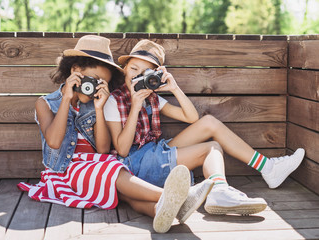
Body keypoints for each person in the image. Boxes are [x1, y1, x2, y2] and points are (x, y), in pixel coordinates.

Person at [17, 35, 205, 233]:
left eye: (101, 83)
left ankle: (159, 209)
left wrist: (99, 108)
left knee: (125, 194)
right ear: (74, 71)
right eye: (92, 80)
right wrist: (66, 99)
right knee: (114, 170)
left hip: (95, 166)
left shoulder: (94, 104)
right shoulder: (46, 103)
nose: (93, 88)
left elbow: (103, 150)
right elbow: (54, 142)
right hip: (65, 172)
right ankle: (179, 198)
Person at [104, 39, 305, 218]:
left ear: (154, 76)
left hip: (155, 152)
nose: (138, 76)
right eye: (134, 69)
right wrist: (136, 105)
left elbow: (191, 117)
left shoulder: (152, 97)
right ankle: (220, 191)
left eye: (146, 72)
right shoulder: (114, 100)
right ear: (124, 69)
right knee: (211, 148)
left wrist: (174, 88)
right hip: (134, 164)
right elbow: (121, 150)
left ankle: (267, 168)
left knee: (209, 123)